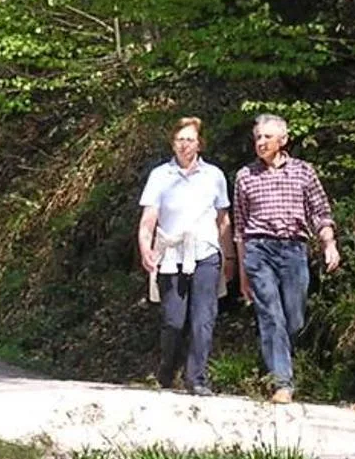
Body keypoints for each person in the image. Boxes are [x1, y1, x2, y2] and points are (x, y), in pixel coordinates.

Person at [234, 113, 339, 403]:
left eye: (267, 136)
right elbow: (240, 229)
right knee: (271, 315)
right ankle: (282, 383)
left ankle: (273, 361)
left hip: (294, 250)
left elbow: (321, 212)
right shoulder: (244, 176)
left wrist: (329, 244)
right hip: (259, 250)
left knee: (293, 319)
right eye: (258, 137)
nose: (261, 142)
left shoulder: (304, 172)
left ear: (283, 140)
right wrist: (243, 273)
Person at [136, 116, 233, 395]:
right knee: (173, 321)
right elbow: (148, 219)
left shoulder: (214, 175)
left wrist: (228, 258)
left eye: (190, 140)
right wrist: (146, 247)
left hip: (205, 253)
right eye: (180, 140)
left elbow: (223, 220)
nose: (184, 145)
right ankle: (168, 368)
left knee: (203, 318)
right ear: (172, 143)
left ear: (200, 144)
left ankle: (197, 378)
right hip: (171, 254)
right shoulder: (160, 176)